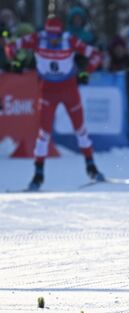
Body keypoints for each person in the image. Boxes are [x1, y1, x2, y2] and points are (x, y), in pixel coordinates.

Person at [4, 16, 103, 190]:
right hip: (48, 91)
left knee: (80, 129)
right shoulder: (37, 38)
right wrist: (16, 61)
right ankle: (38, 175)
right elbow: (10, 47)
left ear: (61, 33)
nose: (53, 40)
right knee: (43, 134)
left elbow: (95, 55)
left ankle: (92, 168)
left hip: (69, 90)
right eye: (50, 36)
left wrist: (86, 71)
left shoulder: (69, 40)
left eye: (55, 36)